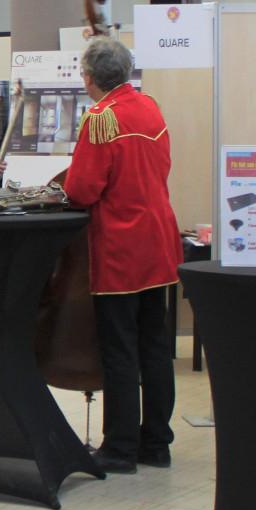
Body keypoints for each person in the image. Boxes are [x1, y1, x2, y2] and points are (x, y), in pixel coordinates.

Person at [63, 37, 182, 475]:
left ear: (91, 78)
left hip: (120, 248)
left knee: (119, 350)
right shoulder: (149, 107)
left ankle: (120, 446)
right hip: (159, 241)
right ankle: (157, 441)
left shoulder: (100, 120)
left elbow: (81, 189)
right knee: (154, 346)